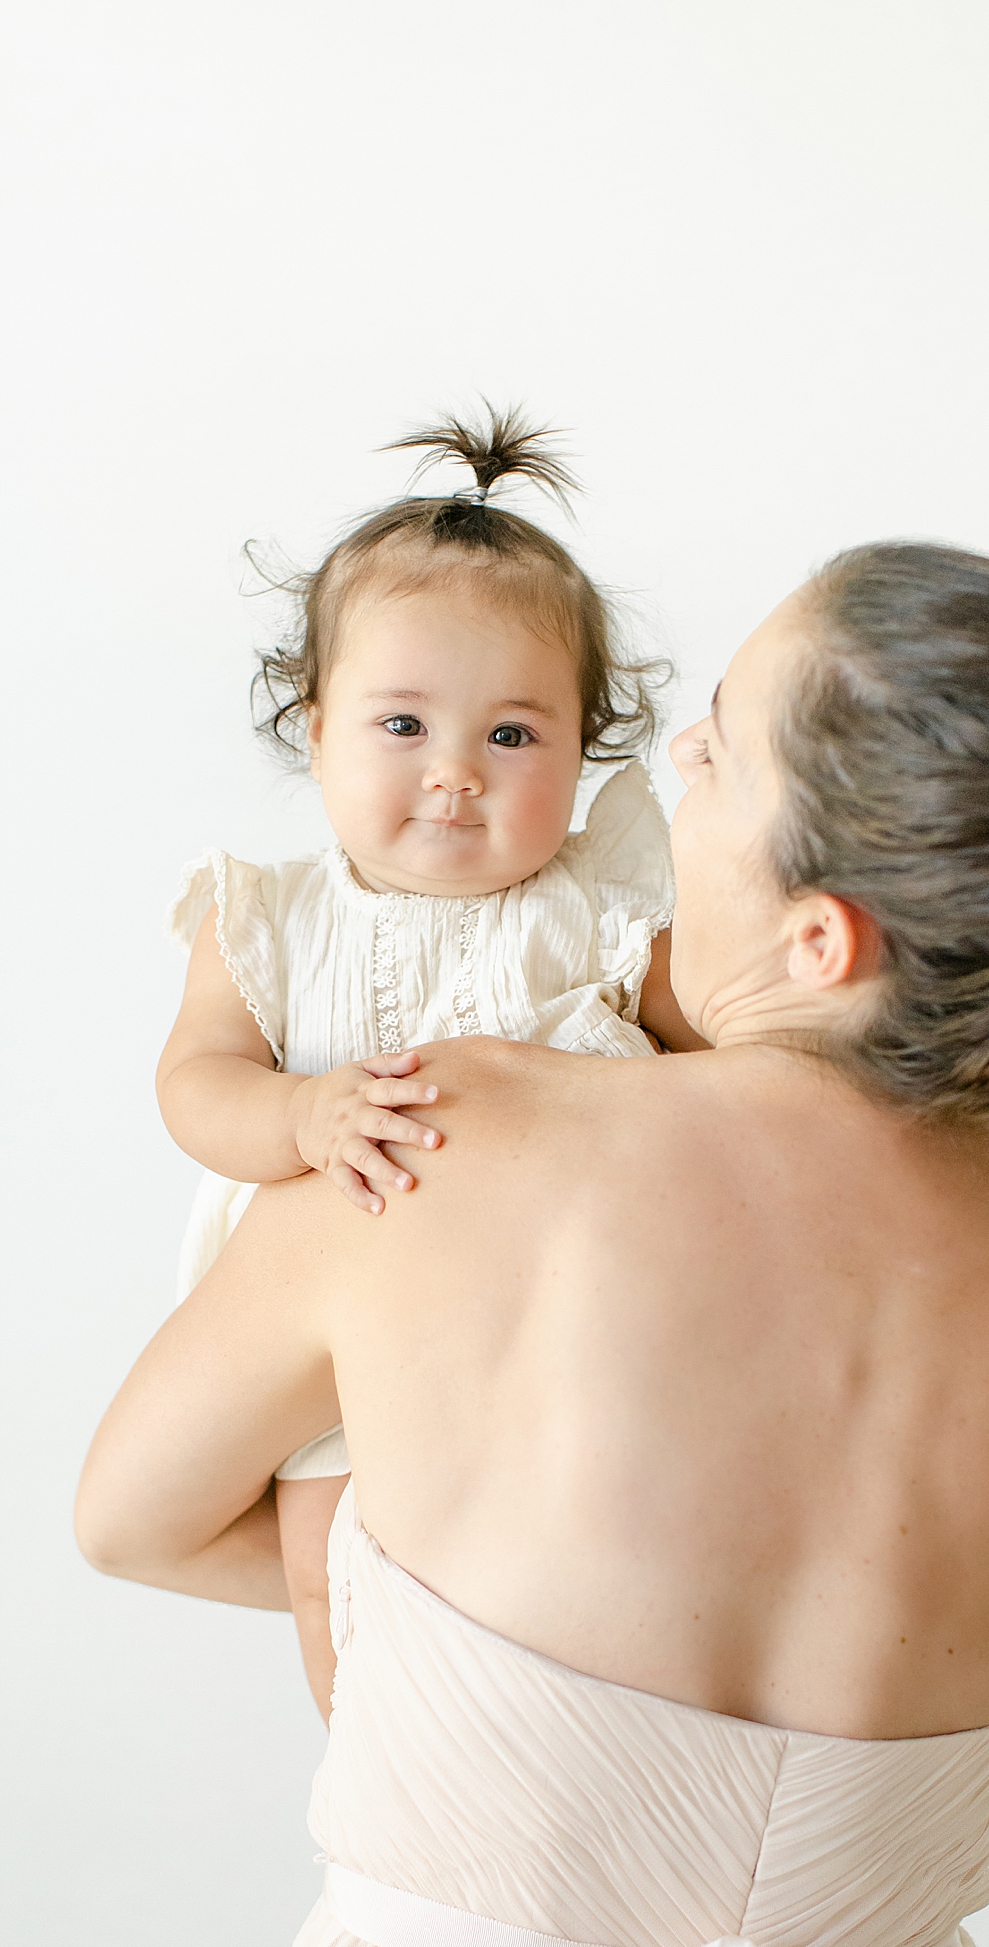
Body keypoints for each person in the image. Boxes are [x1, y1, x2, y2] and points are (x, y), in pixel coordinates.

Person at [77, 540, 989, 1947]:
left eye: (723, 742)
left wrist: (424, 1608)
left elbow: (132, 1519)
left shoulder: (453, 1133)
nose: (667, 757)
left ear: (821, 938)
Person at [157, 405, 701, 1707]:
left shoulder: (608, 915)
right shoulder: (265, 919)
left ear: (581, 749)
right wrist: (299, 1117)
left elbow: (716, 1077)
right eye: (404, 726)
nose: (455, 773)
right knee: (328, 1569)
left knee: (580, 1565)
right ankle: (389, 1797)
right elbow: (196, 1083)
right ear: (314, 722)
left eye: (512, 736)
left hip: (559, 1320)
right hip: (321, 1336)